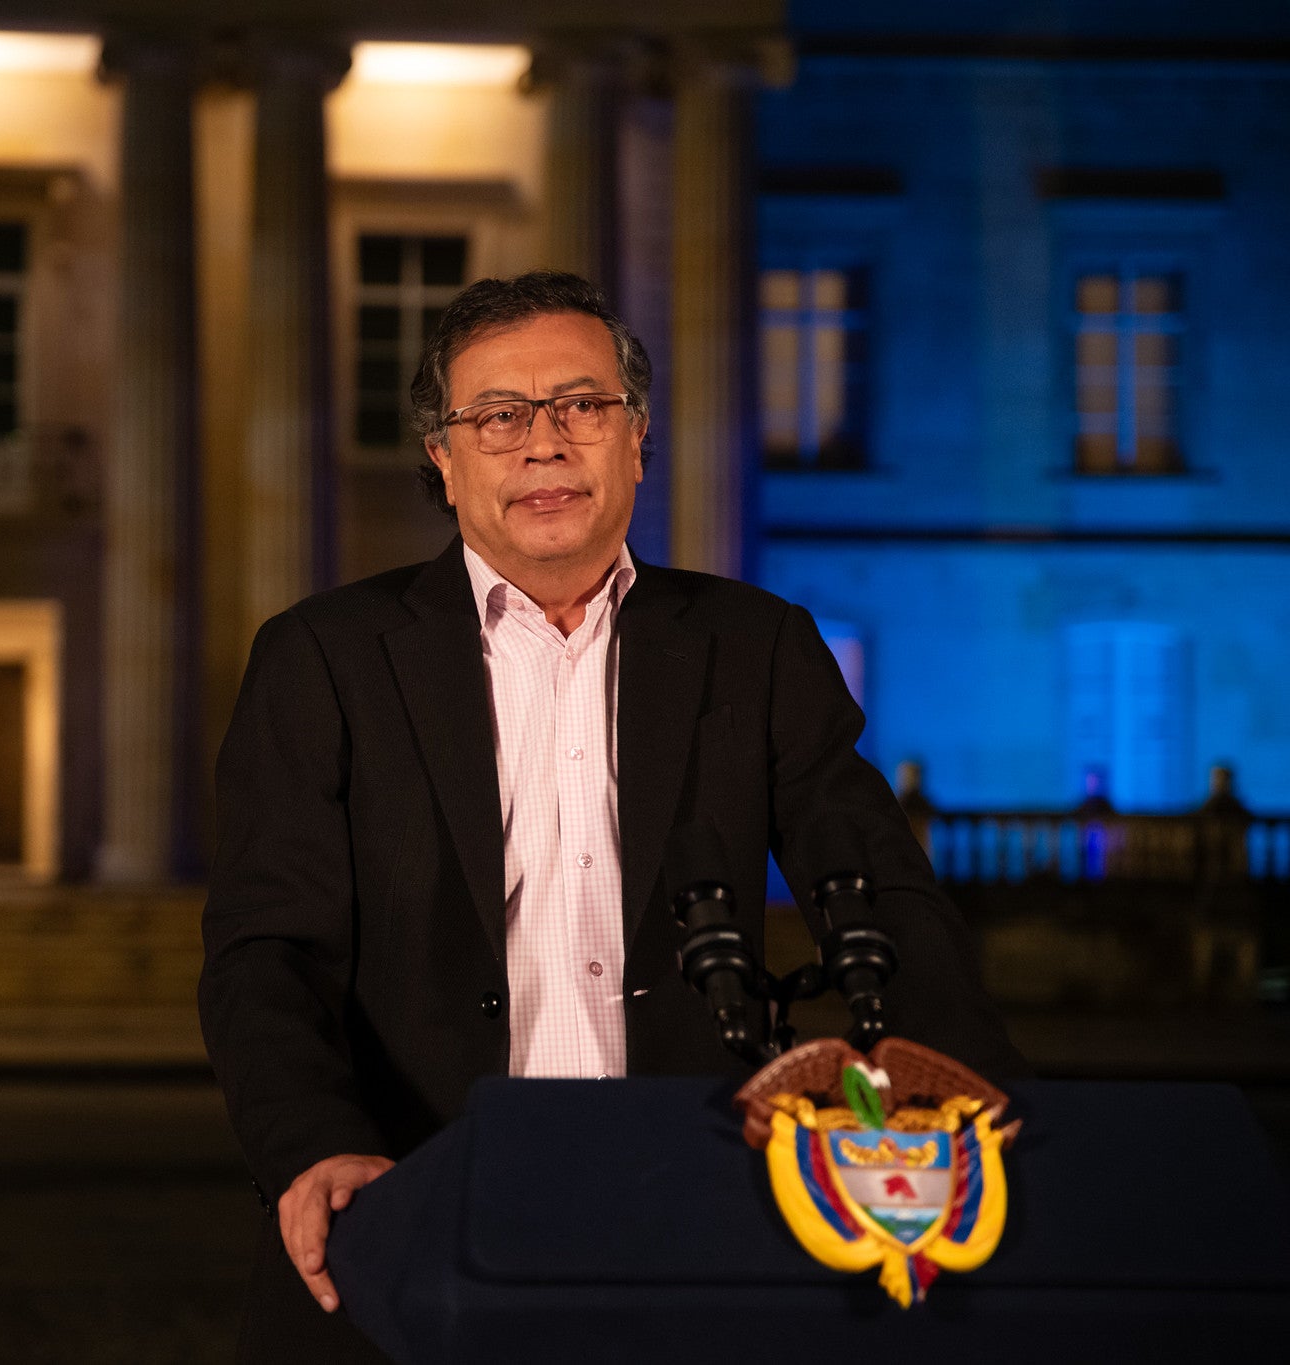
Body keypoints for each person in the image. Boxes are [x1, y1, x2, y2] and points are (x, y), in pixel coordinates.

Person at [198, 271, 1024, 1363]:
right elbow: (264, 954)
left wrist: (965, 1112)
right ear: (442, 458)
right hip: (412, 1206)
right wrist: (314, 1148)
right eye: (498, 416)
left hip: (692, 1216)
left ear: (636, 440)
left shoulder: (755, 646)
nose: (544, 443)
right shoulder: (322, 657)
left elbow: (884, 897)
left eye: (581, 405)